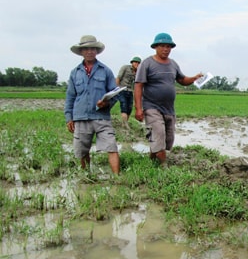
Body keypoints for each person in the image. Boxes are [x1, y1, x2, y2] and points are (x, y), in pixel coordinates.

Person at [134, 32, 203, 165]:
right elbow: (138, 85)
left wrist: (194, 78)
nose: (166, 49)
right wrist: (138, 108)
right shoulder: (147, 63)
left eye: (169, 47)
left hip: (169, 109)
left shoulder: (173, 64)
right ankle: (164, 169)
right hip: (152, 107)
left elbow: (182, 80)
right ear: (155, 47)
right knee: (158, 135)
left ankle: (152, 163)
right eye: (163, 46)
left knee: (167, 141)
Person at [64, 35, 120, 174]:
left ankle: (117, 178)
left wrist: (106, 103)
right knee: (81, 150)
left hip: (101, 117)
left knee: (111, 146)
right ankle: (86, 176)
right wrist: (68, 117)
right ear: (81, 52)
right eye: (86, 49)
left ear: (96, 51)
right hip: (81, 116)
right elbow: (70, 96)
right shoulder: (75, 73)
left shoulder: (105, 70)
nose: (89, 51)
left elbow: (115, 93)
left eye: (92, 49)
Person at [116, 56, 141, 125]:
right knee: (124, 106)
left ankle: (125, 123)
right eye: (135, 62)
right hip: (122, 89)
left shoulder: (138, 73)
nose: (137, 64)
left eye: (139, 63)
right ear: (132, 62)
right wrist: (116, 89)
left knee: (129, 108)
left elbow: (137, 84)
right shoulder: (125, 67)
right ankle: (124, 124)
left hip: (130, 91)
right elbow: (118, 77)